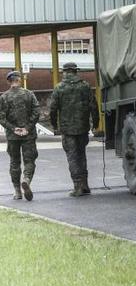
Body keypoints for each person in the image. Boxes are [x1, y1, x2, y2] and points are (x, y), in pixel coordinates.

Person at [49, 62, 99, 197]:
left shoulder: (59, 88)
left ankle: (77, 186)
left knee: (72, 157)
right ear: (76, 71)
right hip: (83, 127)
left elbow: (53, 109)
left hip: (67, 129)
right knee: (82, 155)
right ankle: (85, 185)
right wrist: (96, 123)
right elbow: (93, 105)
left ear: (64, 72)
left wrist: (54, 125)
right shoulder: (85, 86)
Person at [0, 71, 40, 201]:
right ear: (20, 80)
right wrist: (27, 128)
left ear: (8, 81)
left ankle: (17, 190)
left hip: (13, 136)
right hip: (28, 135)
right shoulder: (29, 95)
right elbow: (36, 112)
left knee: (14, 163)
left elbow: (1, 118)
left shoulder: (4, 97)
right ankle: (26, 180)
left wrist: (13, 128)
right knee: (29, 161)